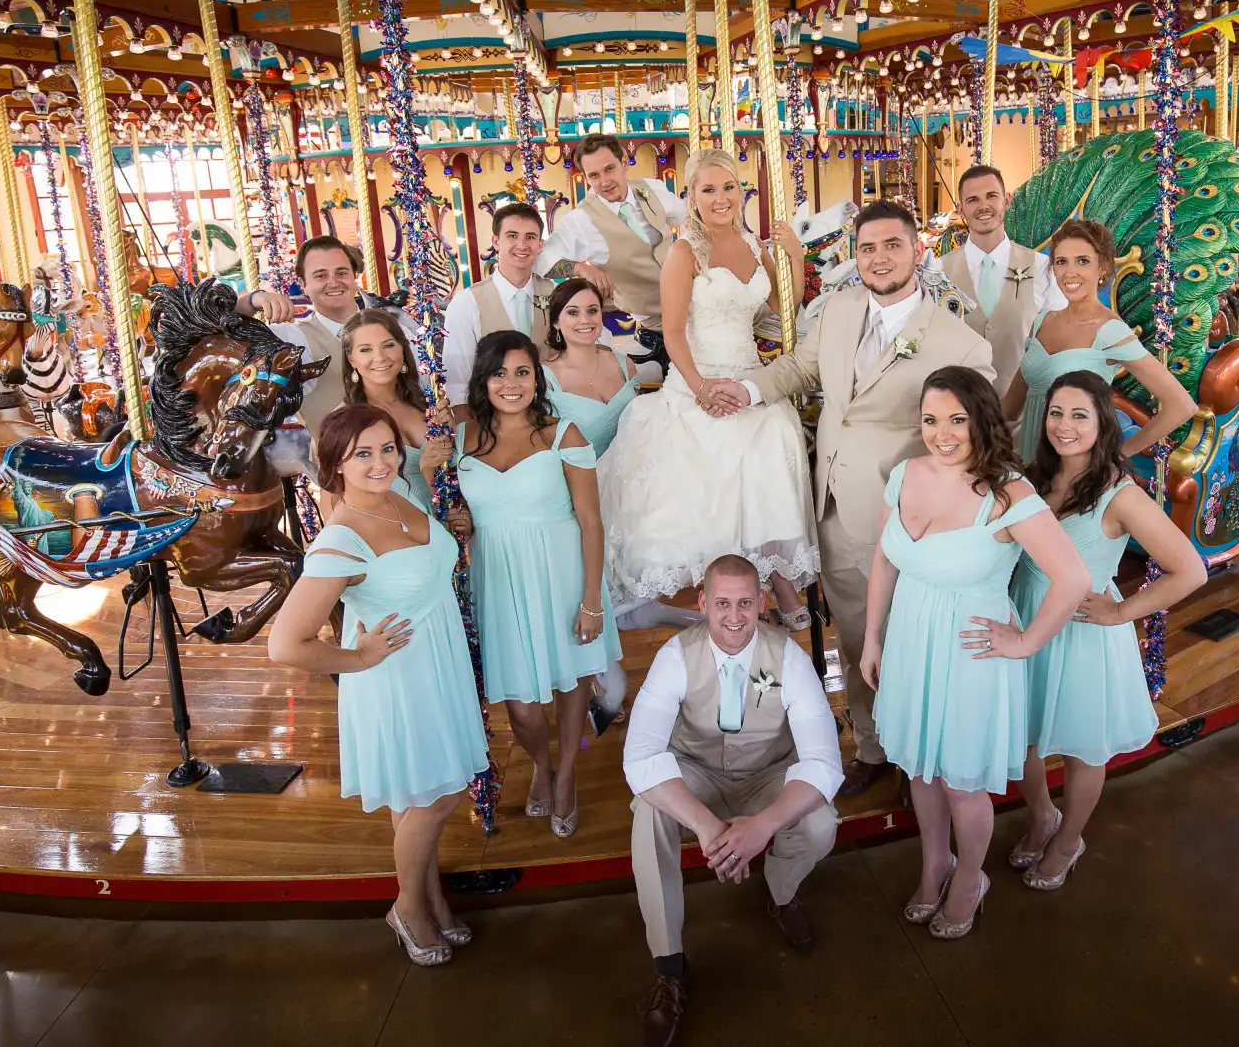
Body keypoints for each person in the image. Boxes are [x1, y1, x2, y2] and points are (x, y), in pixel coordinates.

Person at [706, 199, 993, 799]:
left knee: (906, 639)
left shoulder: (960, 343)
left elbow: (975, 439)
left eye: (892, 245)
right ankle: (870, 743)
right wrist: (744, 389)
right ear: (854, 256)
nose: (879, 257)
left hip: (907, 518)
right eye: (867, 248)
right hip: (833, 503)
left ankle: (921, 753)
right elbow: (798, 368)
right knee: (856, 635)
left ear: (918, 251)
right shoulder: (839, 309)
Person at [862, 367, 1089, 940]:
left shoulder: (1008, 492)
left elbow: (1072, 577)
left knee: (962, 781)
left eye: (956, 420)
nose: (942, 434)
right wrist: (872, 638)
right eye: (931, 420)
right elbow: (886, 559)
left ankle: (969, 876)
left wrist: (1026, 641)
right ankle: (933, 862)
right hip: (913, 641)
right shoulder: (905, 474)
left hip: (971, 650)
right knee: (920, 766)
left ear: (981, 419)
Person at [266, 403, 487, 967]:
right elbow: (285, 644)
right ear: (335, 465)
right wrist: (358, 658)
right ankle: (407, 905)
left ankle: (431, 894)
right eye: (362, 453)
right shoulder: (340, 541)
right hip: (397, 678)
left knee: (418, 794)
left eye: (386, 448)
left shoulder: (398, 499)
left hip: (439, 658)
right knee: (441, 793)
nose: (380, 461)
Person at [625, 554, 844, 1047]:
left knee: (820, 823)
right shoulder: (675, 655)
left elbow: (825, 763)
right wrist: (707, 828)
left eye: (746, 603)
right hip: (697, 773)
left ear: (762, 601)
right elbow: (640, 758)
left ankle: (781, 892)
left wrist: (762, 826)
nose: (734, 616)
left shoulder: (788, 656)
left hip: (767, 774)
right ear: (702, 602)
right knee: (649, 815)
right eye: (722, 603)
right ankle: (668, 968)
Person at [598, 148, 819, 625]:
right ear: (692, 197)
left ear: (741, 192)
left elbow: (782, 312)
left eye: (728, 187)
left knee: (773, 444)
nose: (721, 198)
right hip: (697, 378)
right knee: (723, 457)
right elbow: (673, 333)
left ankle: (777, 580)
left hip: (746, 376)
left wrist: (794, 258)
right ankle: (735, 592)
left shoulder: (757, 248)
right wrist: (700, 388)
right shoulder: (684, 252)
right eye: (708, 189)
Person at [1005, 371, 1207, 890]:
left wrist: (1121, 613)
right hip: (1026, 616)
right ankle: (1042, 817)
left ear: (1103, 424)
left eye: (1079, 415)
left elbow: (1190, 569)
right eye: (1056, 413)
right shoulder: (1031, 478)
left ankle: (1070, 837)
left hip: (1082, 628)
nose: (1064, 426)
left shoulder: (1119, 495)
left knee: (1081, 746)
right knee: (1021, 738)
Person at [424, 330, 618, 838]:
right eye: (499, 373)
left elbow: (592, 523)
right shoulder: (461, 439)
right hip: (498, 582)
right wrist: (452, 511)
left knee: (571, 681)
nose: (511, 384)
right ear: (482, 380)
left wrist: (592, 600)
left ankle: (569, 773)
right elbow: (446, 514)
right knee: (522, 706)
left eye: (522, 372)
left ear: (539, 377)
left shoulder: (565, 434)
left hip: (562, 577)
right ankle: (542, 763)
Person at [1001, 218, 1196, 461]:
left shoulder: (1110, 330)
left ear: (1102, 266)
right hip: (1029, 459)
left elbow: (1182, 406)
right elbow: (1010, 406)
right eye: (1061, 262)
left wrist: (1116, 456)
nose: (1069, 272)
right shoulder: (1041, 322)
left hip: (1077, 468)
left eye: (1082, 261)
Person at [236, 236, 396, 441]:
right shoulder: (292, 339)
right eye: (321, 276)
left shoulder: (391, 325)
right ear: (303, 284)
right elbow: (214, 323)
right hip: (337, 465)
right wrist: (254, 299)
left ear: (353, 276)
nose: (333, 282)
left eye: (342, 272)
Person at [935, 164, 1066, 392]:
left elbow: (1059, 343)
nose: (983, 206)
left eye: (991, 196)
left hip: (1024, 418)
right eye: (973, 200)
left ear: (1006, 200)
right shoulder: (938, 272)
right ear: (961, 209)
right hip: (960, 413)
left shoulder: (1041, 267)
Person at [537, 133, 686, 331]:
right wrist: (581, 269)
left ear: (624, 163)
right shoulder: (582, 220)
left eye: (609, 169)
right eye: (594, 175)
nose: (604, 182)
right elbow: (540, 260)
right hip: (656, 321)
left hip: (691, 299)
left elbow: (684, 217)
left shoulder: (652, 188)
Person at [443, 203, 554, 417]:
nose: (522, 245)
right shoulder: (467, 303)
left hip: (552, 415)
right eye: (512, 236)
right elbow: (457, 382)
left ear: (540, 244)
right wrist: (471, 435)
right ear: (496, 241)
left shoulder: (556, 294)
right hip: (493, 421)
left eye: (530, 237)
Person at [337, 308, 430, 499]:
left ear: (403, 349)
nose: (380, 357)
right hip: (390, 525)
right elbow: (334, 503)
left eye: (388, 345)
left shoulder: (428, 405)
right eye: (366, 349)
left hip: (441, 522)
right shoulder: (342, 421)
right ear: (351, 358)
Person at [541, 277, 638, 457]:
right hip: (582, 479)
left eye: (592, 310)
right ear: (555, 322)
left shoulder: (625, 365)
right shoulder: (545, 379)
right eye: (573, 313)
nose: (585, 320)